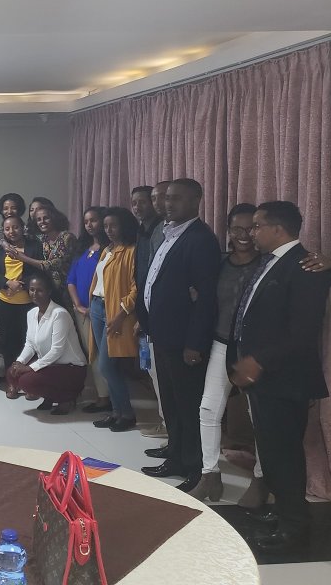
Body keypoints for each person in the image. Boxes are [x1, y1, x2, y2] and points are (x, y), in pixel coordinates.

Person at [227, 201, 331, 552]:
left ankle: (294, 528)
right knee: (272, 453)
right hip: (265, 378)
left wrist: (259, 361)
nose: (251, 232)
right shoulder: (270, 262)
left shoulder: (304, 266)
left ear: (278, 229)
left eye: (257, 226)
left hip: (284, 378)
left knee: (284, 455)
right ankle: (285, 511)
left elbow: (302, 332)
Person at [137, 179, 221, 491]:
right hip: (162, 334)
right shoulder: (169, 233)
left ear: (197, 200)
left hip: (183, 340)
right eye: (167, 198)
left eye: (177, 199)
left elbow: (207, 299)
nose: (168, 204)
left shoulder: (201, 239)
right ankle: (175, 456)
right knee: (171, 402)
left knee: (188, 405)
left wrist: (194, 344)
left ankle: (194, 467)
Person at [188, 204, 261, 503]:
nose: (243, 235)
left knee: (258, 414)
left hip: (254, 350)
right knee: (208, 409)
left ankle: (261, 479)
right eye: (236, 229)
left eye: (250, 228)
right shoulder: (218, 263)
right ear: (228, 230)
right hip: (221, 343)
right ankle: (210, 475)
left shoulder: (268, 264)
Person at [88, 207, 141, 432]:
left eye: (114, 225)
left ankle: (127, 413)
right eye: (106, 226)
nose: (109, 230)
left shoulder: (131, 251)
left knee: (107, 366)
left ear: (124, 226)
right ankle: (116, 412)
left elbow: (136, 289)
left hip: (116, 312)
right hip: (97, 307)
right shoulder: (107, 250)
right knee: (108, 366)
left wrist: (120, 314)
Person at [6, 271, 88, 414]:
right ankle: (50, 396)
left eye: (40, 290)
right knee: (11, 372)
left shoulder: (59, 314)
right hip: (50, 366)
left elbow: (57, 350)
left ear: (49, 291)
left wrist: (30, 368)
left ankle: (67, 398)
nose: (34, 294)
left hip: (71, 368)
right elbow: (30, 344)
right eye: (32, 289)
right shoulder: (31, 313)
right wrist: (19, 362)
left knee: (27, 381)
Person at [132, 183, 169, 438]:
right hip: (146, 310)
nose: (139, 207)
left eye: (144, 201)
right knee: (153, 371)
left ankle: (168, 426)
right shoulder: (143, 230)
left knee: (162, 375)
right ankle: (165, 423)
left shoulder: (162, 230)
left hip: (160, 313)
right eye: (134, 203)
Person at [67, 206, 110, 413]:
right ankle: (102, 396)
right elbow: (71, 280)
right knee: (92, 355)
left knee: (103, 355)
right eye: (86, 222)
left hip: (101, 310)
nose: (89, 225)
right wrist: (78, 305)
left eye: (93, 220)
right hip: (81, 311)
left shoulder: (108, 249)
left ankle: (107, 398)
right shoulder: (83, 248)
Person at [0, 215, 39, 367]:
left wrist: (20, 285)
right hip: (4, 303)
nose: (11, 231)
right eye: (7, 229)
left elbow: (39, 271)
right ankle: (11, 375)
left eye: (15, 227)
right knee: (7, 341)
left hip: (28, 303)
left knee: (27, 341)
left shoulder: (34, 246)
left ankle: (26, 374)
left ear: (23, 228)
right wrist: (7, 283)